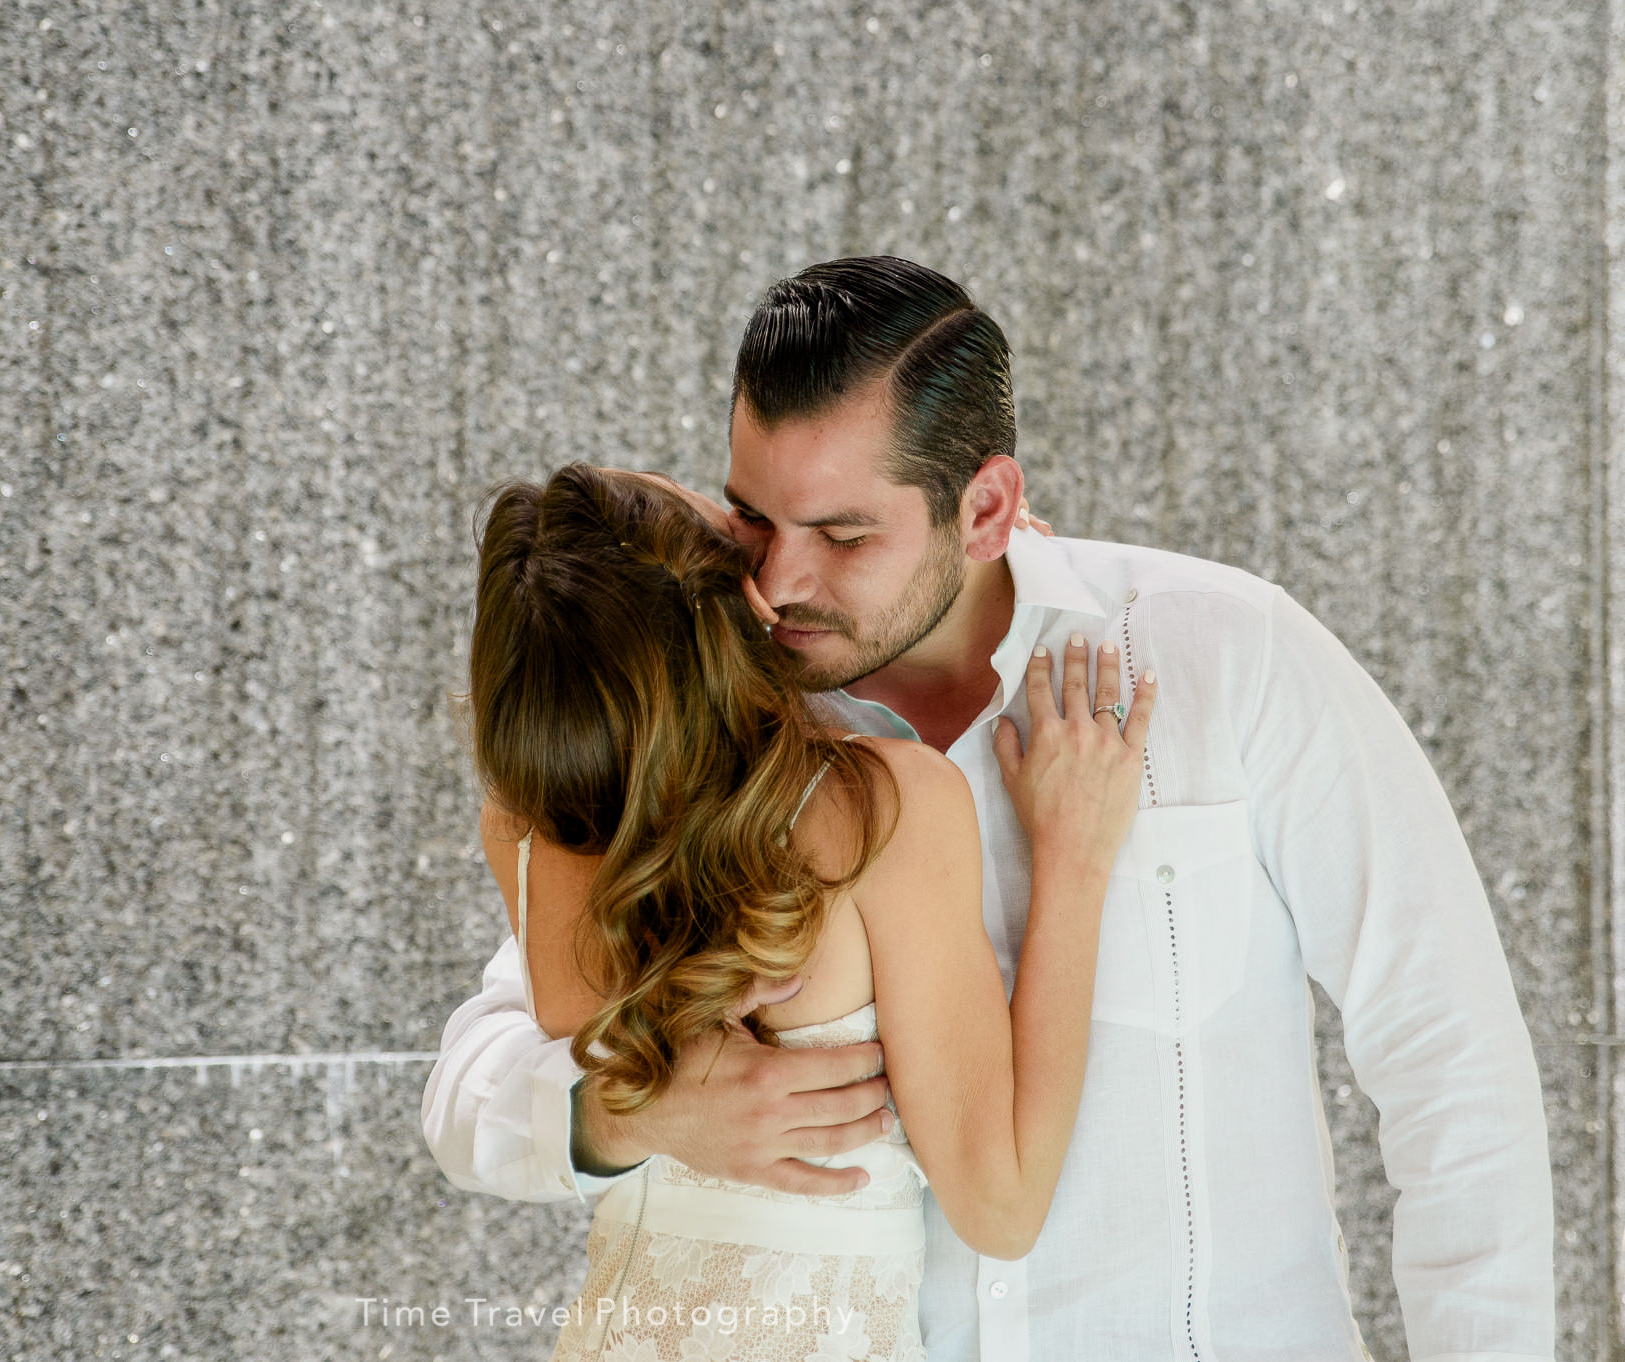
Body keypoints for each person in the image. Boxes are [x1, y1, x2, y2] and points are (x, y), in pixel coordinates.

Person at [424, 257, 1555, 1360]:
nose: (777, 585)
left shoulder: (1229, 658)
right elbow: (480, 1067)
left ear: (986, 508)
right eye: (752, 521)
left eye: (845, 535)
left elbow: (1451, 1060)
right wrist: (624, 1117)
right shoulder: (726, 732)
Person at [466, 463, 1156, 1359]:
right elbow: (1003, 1204)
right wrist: (1074, 858)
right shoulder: (884, 812)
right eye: (727, 520)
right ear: (740, 608)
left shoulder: (525, 829)